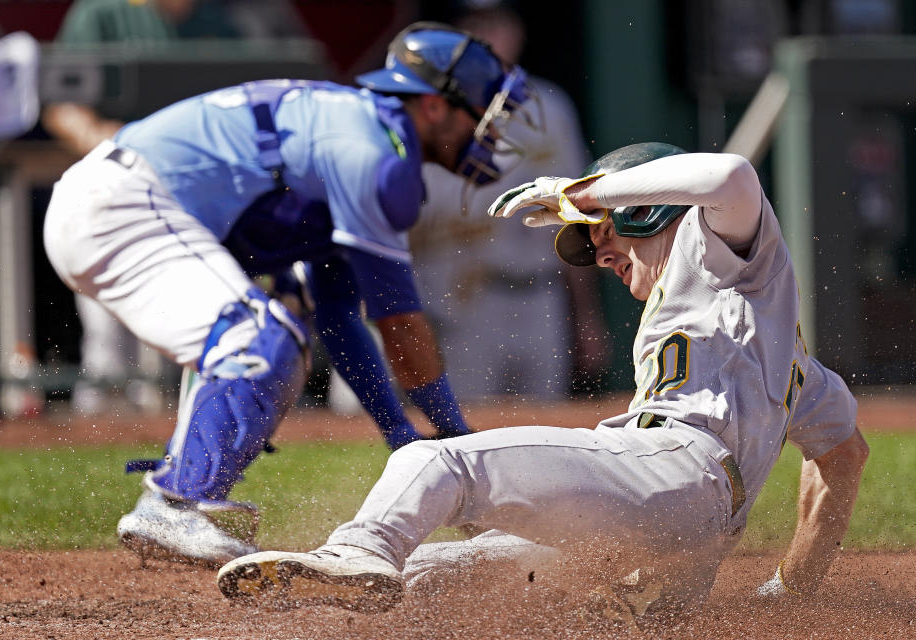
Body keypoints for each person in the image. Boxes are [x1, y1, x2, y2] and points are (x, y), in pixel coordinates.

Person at [215, 143, 869, 623]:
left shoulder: (714, 252)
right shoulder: (783, 356)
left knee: (434, 460)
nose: (599, 253)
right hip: (683, 546)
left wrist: (582, 193)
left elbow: (730, 174)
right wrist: (793, 590)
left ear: (646, 209)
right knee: (432, 580)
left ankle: (359, 547)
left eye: (600, 234)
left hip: (671, 475)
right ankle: (347, 586)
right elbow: (844, 454)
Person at [43, 22, 540, 565]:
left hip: (117, 202)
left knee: (280, 327)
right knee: (256, 336)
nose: (490, 133)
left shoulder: (362, 131)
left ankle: (182, 493)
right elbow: (400, 322)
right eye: (482, 112)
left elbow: (338, 316)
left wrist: (403, 433)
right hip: (121, 203)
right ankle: (175, 502)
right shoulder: (371, 153)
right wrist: (456, 441)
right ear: (433, 107)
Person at [42, 0, 243, 414]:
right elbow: (59, 103)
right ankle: (97, 446)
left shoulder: (217, 22)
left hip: (193, 198)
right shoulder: (100, 13)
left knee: (199, 330)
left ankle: (189, 441)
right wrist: (108, 140)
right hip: (116, 195)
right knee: (110, 343)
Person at [406, 1, 592, 401]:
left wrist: (587, 317)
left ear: (518, 30)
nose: (489, 37)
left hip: (542, 294)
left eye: (496, 23)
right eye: (475, 25)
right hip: (468, 296)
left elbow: (575, 215)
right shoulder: (437, 112)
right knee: (469, 429)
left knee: (546, 430)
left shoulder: (551, 106)